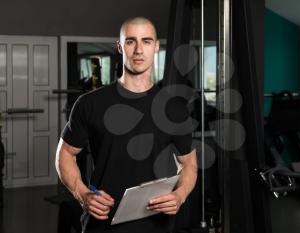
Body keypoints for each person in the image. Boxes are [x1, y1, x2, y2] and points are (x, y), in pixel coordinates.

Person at [55, 16, 197, 233]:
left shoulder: (174, 108)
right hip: (102, 224)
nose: (139, 49)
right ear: (120, 47)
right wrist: (82, 194)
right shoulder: (90, 103)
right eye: (131, 41)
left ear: (156, 47)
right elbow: (65, 153)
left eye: (146, 41)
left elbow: (189, 165)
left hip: (157, 225)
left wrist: (180, 195)